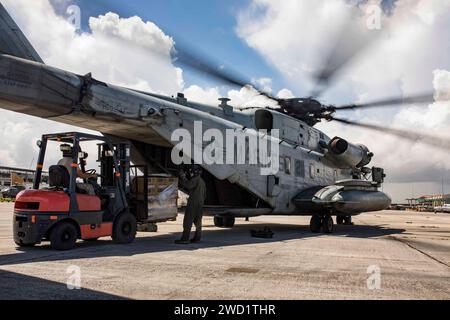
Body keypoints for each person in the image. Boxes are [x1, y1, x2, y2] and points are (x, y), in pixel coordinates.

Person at [175, 165, 207, 244]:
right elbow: (205, 195)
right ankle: (197, 238)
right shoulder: (202, 182)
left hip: (193, 203)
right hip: (200, 204)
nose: (191, 173)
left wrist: (182, 176)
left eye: (191, 172)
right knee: (198, 222)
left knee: (188, 221)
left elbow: (188, 185)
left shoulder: (195, 180)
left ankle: (185, 239)